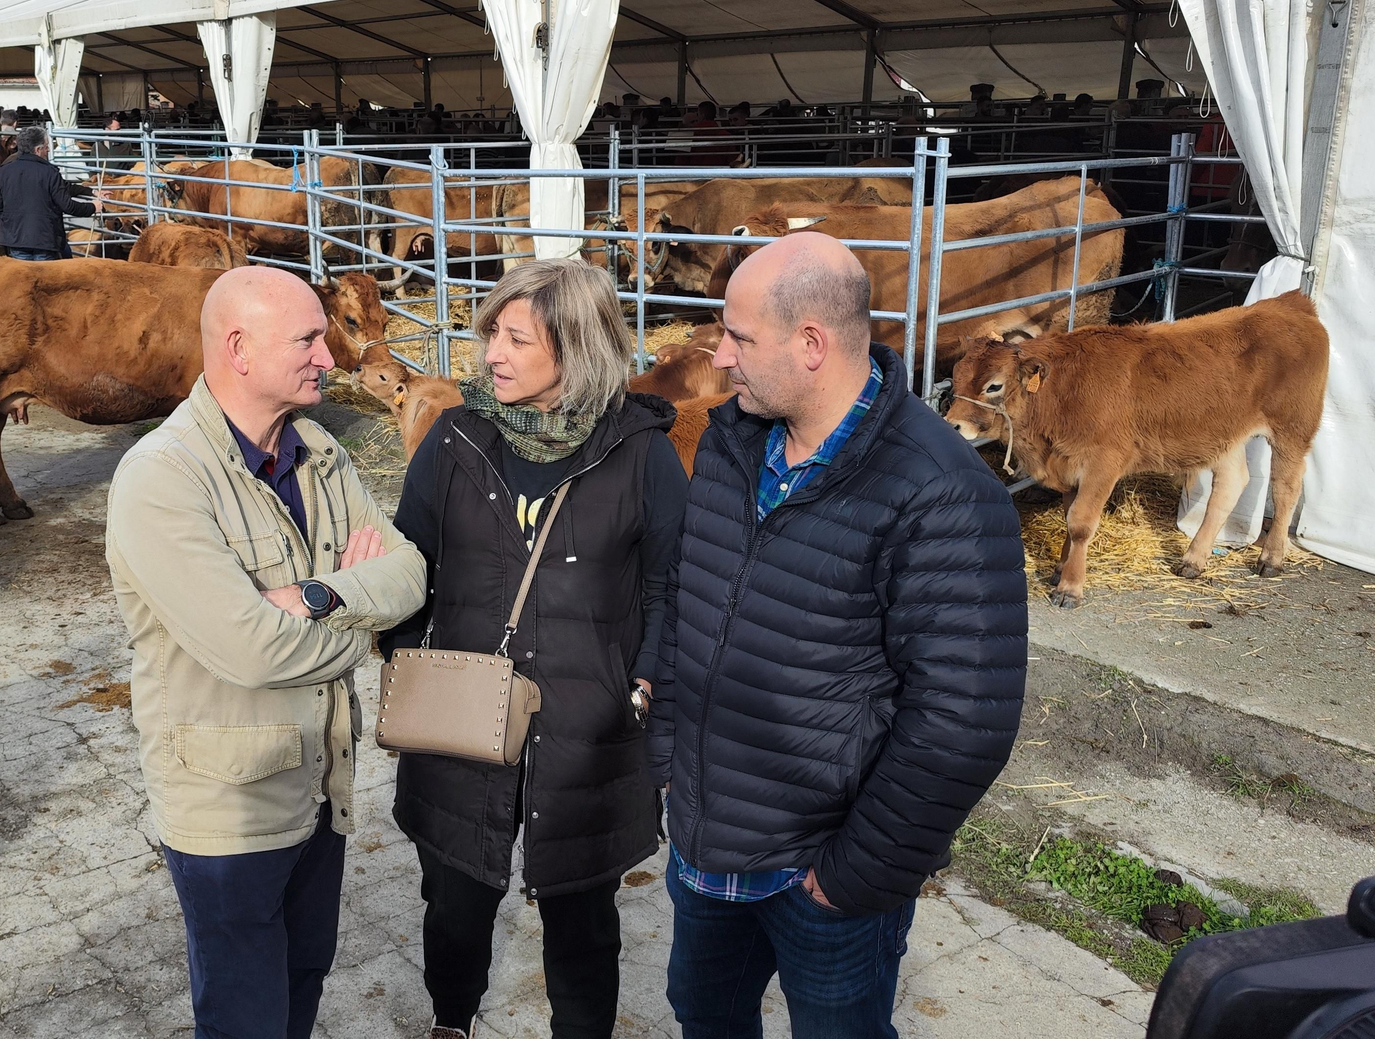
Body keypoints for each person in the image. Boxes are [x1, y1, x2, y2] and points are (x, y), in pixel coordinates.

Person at [652, 232, 1027, 1038]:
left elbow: (962, 722)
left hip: (820, 870)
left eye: (740, 338)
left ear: (812, 344)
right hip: (707, 843)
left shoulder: (942, 494)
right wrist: (668, 760)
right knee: (704, 1015)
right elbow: (689, 595)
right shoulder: (729, 443)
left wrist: (856, 872)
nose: (719, 358)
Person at [105, 266, 426, 1039]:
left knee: (304, 973)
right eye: (310, 338)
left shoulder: (317, 448)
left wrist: (317, 595)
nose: (330, 356)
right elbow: (251, 651)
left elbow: (410, 571)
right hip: (231, 805)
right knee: (246, 1008)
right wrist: (358, 606)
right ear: (239, 349)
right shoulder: (162, 478)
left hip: (320, 779)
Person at [381, 259, 687, 1039]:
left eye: (517, 338)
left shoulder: (642, 453)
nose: (492, 353)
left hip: (588, 731)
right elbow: (407, 559)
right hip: (459, 719)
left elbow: (668, 587)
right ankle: (452, 1019)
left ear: (576, 349)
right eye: (492, 333)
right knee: (452, 899)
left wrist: (642, 687)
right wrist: (410, 658)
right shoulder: (455, 437)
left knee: (583, 917)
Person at [0, 126, 88, 261]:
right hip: (45, 240)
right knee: (45, 280)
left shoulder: (4, 171)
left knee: (23, 279)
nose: (49, 149)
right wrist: (92, 207)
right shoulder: (49, 172)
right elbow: (67, 205)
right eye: (47, 146)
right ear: (38, 150)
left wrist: (13, 223)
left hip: (15, 240)